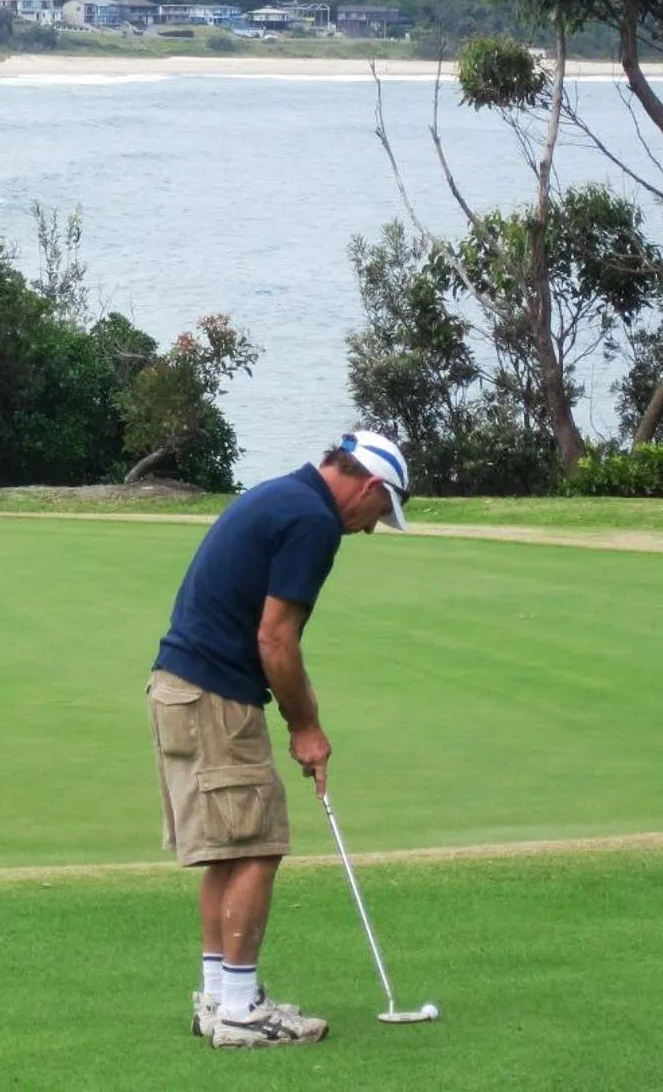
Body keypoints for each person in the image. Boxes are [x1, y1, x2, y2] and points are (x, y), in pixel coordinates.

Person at [146, 430, 411, 1049]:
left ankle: (219, 999)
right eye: (381, 512)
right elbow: (276, 639)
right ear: (370, 487)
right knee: (257, 845)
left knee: (230, 849)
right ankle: (239, 1011)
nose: (372, 528)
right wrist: (306, 726)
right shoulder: (312, 520)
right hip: (215, 698)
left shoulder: (279, 495)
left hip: (180, 689)